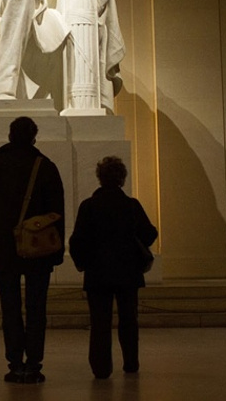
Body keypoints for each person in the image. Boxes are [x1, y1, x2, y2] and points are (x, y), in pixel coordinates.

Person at [0, 116, 65, 384]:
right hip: (39, 251)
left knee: (10, 309)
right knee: (37, 309)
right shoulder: (45, 167)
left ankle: (15, 363)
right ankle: (34, 363)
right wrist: (57, 252)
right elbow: (57, 214)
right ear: (34, 137)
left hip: (2, 251)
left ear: (10, 136)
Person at [68, 156, 158, 378]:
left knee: (99, 323)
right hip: (128, 272)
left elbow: (76, 241)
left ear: (100, 178)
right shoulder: (131, 205)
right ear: (122, 178)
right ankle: (130, 363)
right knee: (129, 319)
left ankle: (101, 368)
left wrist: (85, 263)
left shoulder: (89, 206)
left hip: (98, 273)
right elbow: (150, 233)